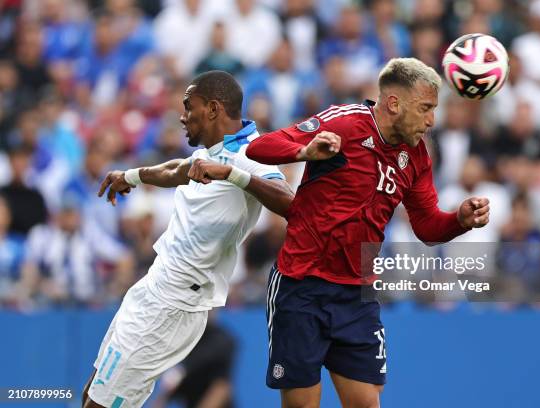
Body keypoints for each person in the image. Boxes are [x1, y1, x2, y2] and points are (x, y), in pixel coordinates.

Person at [246, 58, 490, 408]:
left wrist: (459, 221)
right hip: (301, 285)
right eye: (425, 108)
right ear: (394, 103)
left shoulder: (417, 156)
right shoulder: (344, 123)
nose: (431, 120)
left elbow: (427, 227)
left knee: (366, 403)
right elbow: (260, 147)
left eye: (433, 109)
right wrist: (304, 151)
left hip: (356, 294)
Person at [81, 70, 294, 408]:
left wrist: (233, 175)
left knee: (101, 405)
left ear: (212, 108)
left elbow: (290, 201)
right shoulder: (209, 152)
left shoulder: (253, 153)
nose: (182, 116)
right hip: (152, 287)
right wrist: (132, 175)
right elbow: (177, 171)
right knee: (92, 393)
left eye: (188, 106)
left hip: (175, 303)